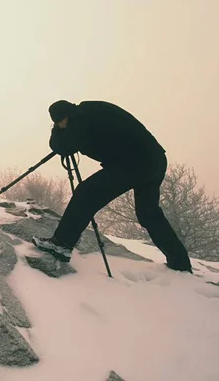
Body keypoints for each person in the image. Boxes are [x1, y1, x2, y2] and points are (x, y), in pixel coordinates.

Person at [32, 100, 193, 273]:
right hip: (154, 160)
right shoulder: (89, 111)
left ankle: (61, 244)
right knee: (149, 214)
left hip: (132, 163)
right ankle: (180, 262)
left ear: (63, 118)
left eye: (58, 123)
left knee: (86, 194)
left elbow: (62, 146)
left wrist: (57, 131)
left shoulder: (81, 120)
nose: (60, 127)